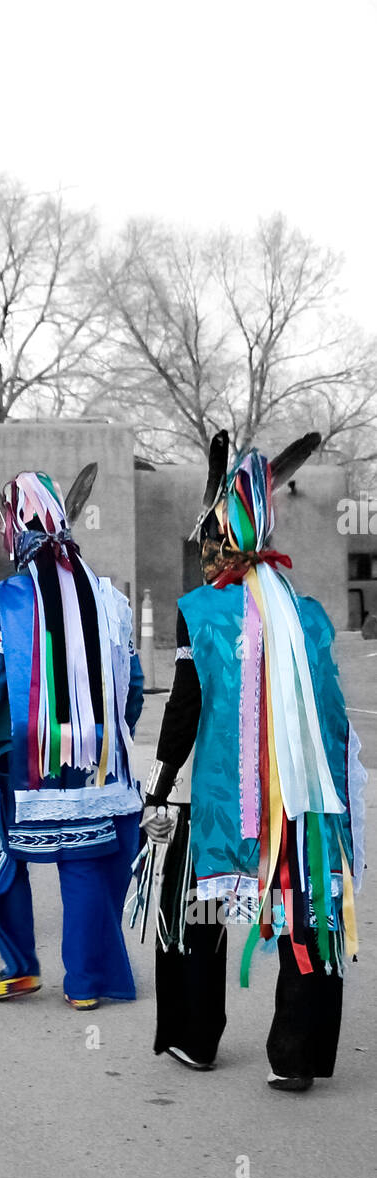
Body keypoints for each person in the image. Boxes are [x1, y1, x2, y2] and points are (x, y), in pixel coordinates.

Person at [138, 430, 365, 1093]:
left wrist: (156, 789)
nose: (203, 554)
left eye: (207, 542)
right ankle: (295, 1053)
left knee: (198, 911)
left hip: (225, 806)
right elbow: (332, 717)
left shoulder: (200, 611)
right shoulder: (310, 614)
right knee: (307, 911)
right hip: (305, 806)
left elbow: (182, 710)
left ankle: (195, 1038)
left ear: (221, 543)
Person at [0, 466, 144, 1007]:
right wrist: (108, 739)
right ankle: (85, 984)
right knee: (82, 861)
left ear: (13, 532)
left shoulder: (5, 599)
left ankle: (20, 967)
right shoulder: (111, 600)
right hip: (96, 764)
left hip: (25, 760)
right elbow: (131, 685)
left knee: (7, 856)